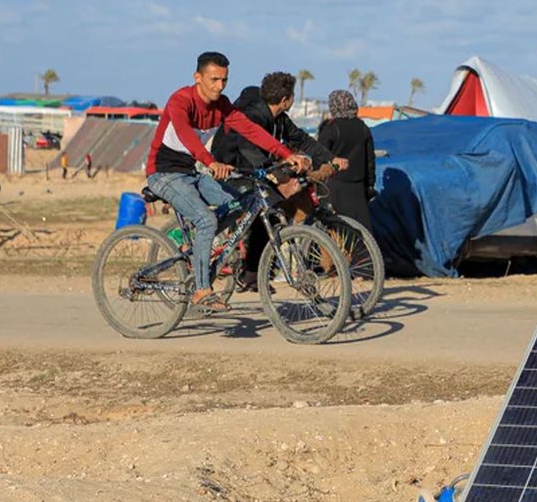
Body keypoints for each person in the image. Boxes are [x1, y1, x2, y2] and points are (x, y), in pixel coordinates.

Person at [146, 52, 310, 312]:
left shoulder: (221, 105)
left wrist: (287, 154)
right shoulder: (181, 100)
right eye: (213, 79)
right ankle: (202, 289)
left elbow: (252, 131)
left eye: (224, 80)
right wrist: (210, 162)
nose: (219, 86)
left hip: (190, 172)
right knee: (206, 219)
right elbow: (186, 135)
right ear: (197, 78)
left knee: (238, 205)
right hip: (163, 173)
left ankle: (203, 249)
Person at [211, 71, 342, 290]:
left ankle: (251, 273)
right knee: (259, 208)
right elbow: (247, 148)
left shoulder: (279, 118)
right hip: (233, 170)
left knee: (269, 213)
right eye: (292, 96)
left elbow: (302, 139)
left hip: (254, 171)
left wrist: (330, 158)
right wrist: (270, 169)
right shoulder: (254, 115)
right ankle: (225, 251)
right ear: (285, 100)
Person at [316, 89, 376, 230]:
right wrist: (369, 186)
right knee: (361, 234)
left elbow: (318, 157)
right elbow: (370, 162)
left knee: (335, 232)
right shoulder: (363, 128)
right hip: (358, 188)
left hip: (333, 187)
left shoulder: (330, 129)